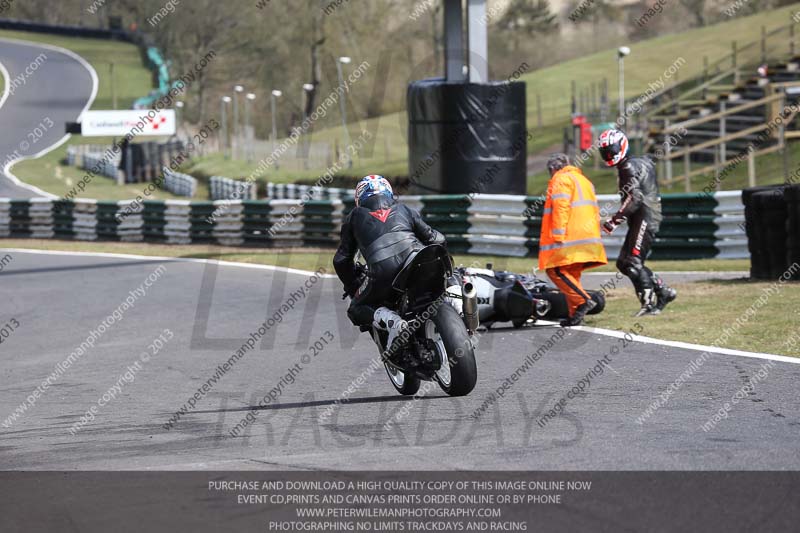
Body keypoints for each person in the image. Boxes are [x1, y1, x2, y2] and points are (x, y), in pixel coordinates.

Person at [334, 175, 446, 356]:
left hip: (382, 271)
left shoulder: (354, 216)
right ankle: (457, 299)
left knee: (355, 308)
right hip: (417, 258)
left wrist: (353, 286)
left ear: (359, 198)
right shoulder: (404, 208)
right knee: (445, 271)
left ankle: (392, 320)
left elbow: (341, 260)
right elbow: (436, 239)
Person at [598, 129, 677, 316]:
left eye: (611, 149)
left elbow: (635, 198)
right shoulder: (640, 161)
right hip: (646, 216)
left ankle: (648, 305)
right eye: (605, 151)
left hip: (645, 217)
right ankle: (663, 291)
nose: (609, 154)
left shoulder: (627, 167)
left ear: (622, 145)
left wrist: (614, 221)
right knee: (624, 263)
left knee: (632, 262)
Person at [539, 153, 608, 327]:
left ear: (553, 169)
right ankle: (575, 315)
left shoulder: (561, 179)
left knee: (556, 271)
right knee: (571, 275)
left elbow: (560, 207)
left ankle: (585, 301)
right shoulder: (584, 180)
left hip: (570, 236)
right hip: (587, 237)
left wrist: (558, 235)